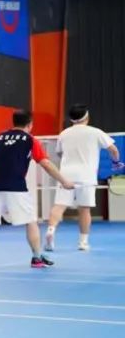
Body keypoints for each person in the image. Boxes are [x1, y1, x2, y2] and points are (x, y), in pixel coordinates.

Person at [0, 110, 73, 268]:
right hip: (16, 186)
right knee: (31, 221)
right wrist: (64, 181)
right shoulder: (30, 139)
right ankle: (37, 257)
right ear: (30, 124)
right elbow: (46, 164)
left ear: (13, 122)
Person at [45, 104, 121, 252]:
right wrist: (116, 163)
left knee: (59, 205)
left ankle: (51, 230)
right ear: (87, 117)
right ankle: (83, 242)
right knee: (84, 209)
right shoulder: (95, 132)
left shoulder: (64, 134)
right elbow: (113, 149)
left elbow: (59, 153)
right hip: (87, 176)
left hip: (66, 175)